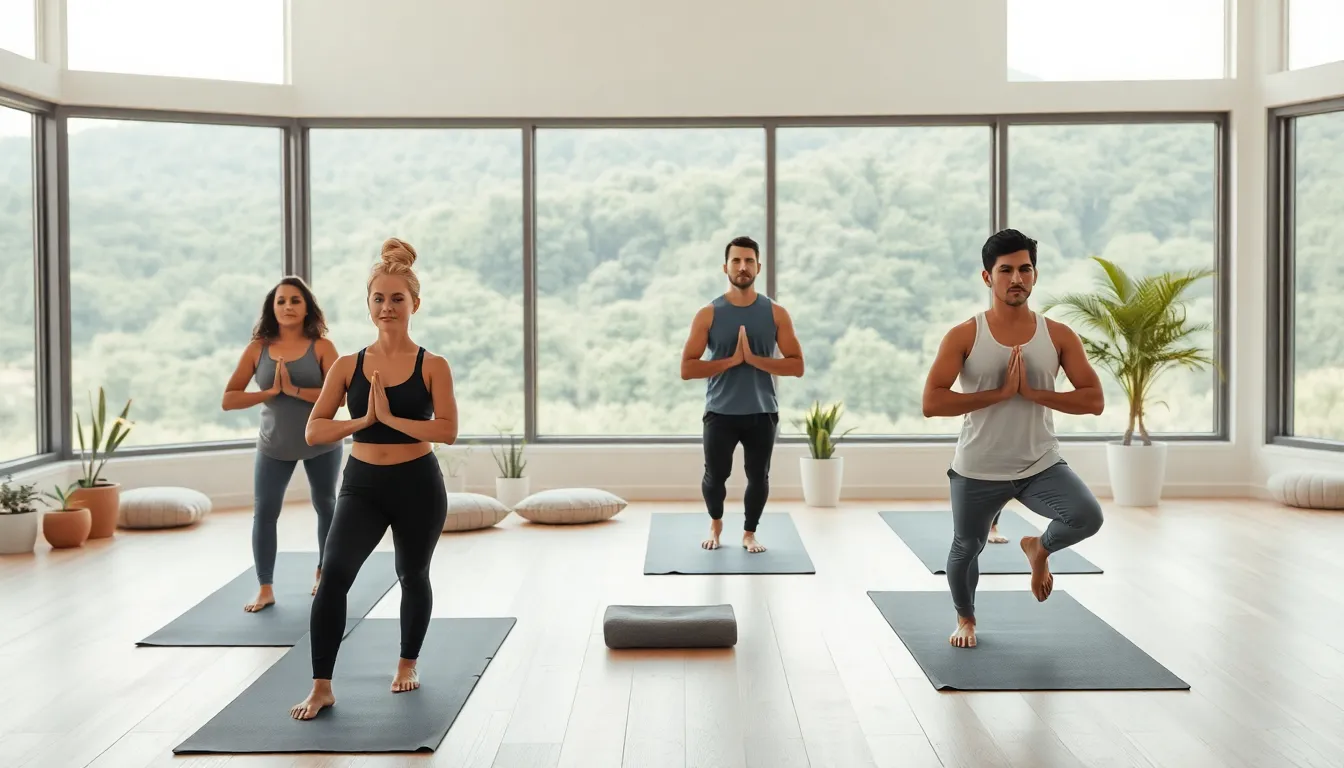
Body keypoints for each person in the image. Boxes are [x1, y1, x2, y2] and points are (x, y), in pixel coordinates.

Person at [290, 237, 457, 720]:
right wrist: (363, 421)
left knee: (412, 574)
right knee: (333, 578)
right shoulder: (348, 366)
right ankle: (321, 687)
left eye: (397, 298)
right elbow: (315, 428)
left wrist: (392, 418)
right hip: (362, 483)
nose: (388, 306)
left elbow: (447, 430)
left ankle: (407, 663)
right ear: (368, 305)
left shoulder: (433, 365)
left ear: (415, 304)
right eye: (379, 298)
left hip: (417, 484)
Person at [921, 228, 1106, 649]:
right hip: (978, 466)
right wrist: (1000, 394)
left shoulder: (1057, 335)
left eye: (1025, 269)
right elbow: (931, 402)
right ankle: (966, 618)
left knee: (1087, 516)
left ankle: (1038, 548)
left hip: (1039, 463)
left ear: (1035, 276)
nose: (1016, 278)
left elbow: (1093, 400)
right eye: (1005, 270)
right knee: (967, 547)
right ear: (988, 278)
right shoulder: (965, 335)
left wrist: (1036, 393)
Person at [222, 277, 342, 613]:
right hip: (274, 445)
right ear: (272, 308)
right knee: (265, 513)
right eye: (281, 301)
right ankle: (265, 588)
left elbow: (340, 397)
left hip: (320, 441)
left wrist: (295, 391)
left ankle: (324, 572)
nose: (287, 306)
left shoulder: (322, 347)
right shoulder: (257, 348)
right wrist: (270, 393)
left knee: (325, 504)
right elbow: (229, 399)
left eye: (295, 301)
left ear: (307, 308)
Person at [680, 235, 804, 554]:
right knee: (715, 476)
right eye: (736, 261)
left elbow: (797, 366)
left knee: (758, 476)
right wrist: (731, 361)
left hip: (762, 411)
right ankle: (716, 523)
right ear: (725, 267)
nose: (742, 267)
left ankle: (749, 533)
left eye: (749, 261)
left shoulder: (776, 313)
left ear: (758, 267)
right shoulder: (708, 314)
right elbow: (688, 368)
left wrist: (753, 360)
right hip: (720, 411)